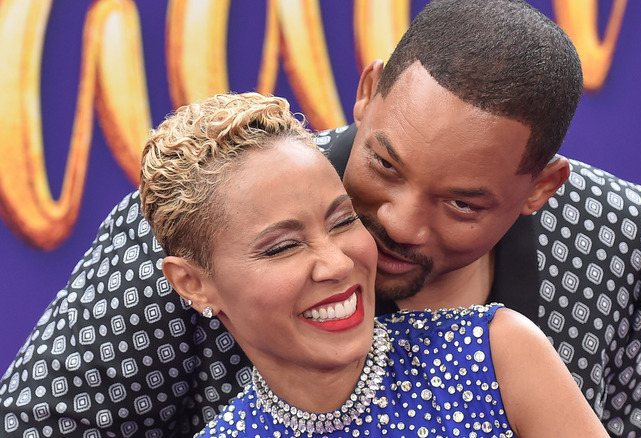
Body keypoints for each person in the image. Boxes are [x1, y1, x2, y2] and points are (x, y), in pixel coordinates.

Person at [0, 1, 641, 437]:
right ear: (368, 92)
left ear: (540, 188)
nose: (403, 223)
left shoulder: (608, 235)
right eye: (384, 166)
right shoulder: (204, 215)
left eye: (461, 204)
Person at [137, 91, 607, 437]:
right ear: (192, 283)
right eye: (282, 247)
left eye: (342, 222)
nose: (336, 264)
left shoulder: (494, 353)